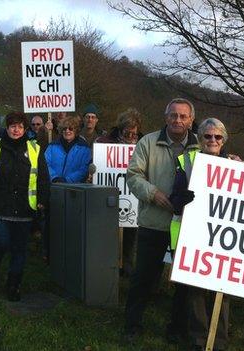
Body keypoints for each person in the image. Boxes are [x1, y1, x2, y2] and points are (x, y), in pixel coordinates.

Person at [123, 98, 200, 341]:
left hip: (187, 226)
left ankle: (176, 329)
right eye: (173, 115)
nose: (178, 120)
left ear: (191, 120)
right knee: (143, 277)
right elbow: (133, 175)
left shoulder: (201, 146)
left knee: (184, 282)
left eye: (183, 116)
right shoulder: (148, 142)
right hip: (153, 222)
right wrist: (153, 194)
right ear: (166, 117)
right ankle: (132, 325)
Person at [169, 118, 240, 350]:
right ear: (200, 139)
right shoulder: (186, 161)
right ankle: (200, 340)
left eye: (217, 137)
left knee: (222, 290)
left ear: (224, 140)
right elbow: (175, 199)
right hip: (193, 234)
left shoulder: (235, 165)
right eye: (207, 136)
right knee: (195, 290)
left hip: (224, 238)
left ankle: (219, 341)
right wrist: (184, 200)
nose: (212, 140)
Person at [0, 111, 50, 301]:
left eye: (20, 127)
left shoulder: (35, 150)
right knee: (1, 243)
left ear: (25, 129)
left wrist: (42, 201)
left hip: (24, 210)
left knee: (19, 250)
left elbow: (43, 179)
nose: (16, 130)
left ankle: (14, 285)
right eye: (13, 126)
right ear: (7, 127)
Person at [95, 108, 143, 276]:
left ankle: (127, 268)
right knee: (108, 235)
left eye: (134, 130)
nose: (131, 134)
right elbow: (96, 164)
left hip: (133, 199)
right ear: (121, 127)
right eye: (127, 130)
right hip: (108, 197)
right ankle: (107, 269)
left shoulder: (143, 144)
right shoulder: (104, 142)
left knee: (130, 236)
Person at [44, 115, 92, 183]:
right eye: (64, 128)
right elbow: (45, 163)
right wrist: (54, 177)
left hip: (75, 188)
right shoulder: (52, 146)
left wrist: (68, 180)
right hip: (53, 185)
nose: (67, 131)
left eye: (70, 128)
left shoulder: (84, 148)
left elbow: (84, 169)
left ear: (76, 130)